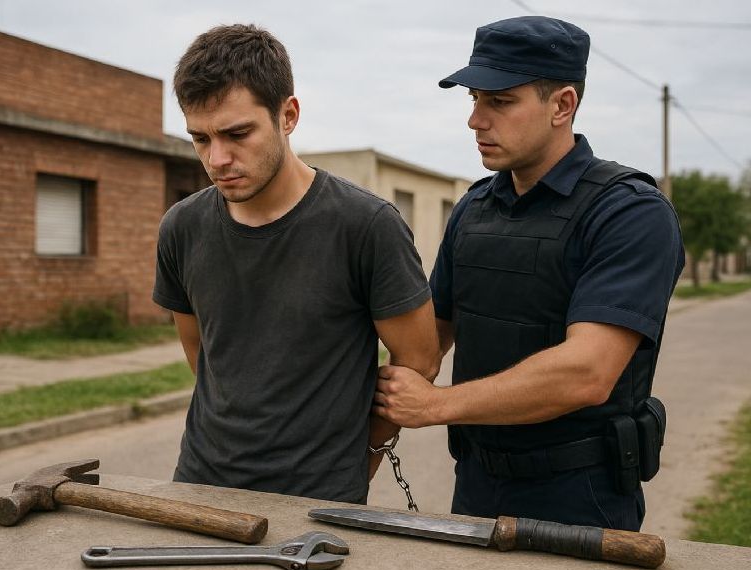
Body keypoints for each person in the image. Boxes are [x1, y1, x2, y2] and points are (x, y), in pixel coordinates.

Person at [374, 16, 684, 531]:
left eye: (500, 101)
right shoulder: (474, 207)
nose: (476, 119)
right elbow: (427, 344)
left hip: (578, 497)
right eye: (474, 99)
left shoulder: (630, 212)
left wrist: (436, 405)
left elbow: (587, 373)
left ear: (562, 104)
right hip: (476, 484)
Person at [154, 24, 440, 503]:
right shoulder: (181, 228)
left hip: (318, 500)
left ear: (288, 115)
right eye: (200, 139)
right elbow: (203, 357)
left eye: (237, 133)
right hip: (199, 485)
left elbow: (420, 361)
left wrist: (363, 456)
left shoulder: (366, 225)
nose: (217, 158)